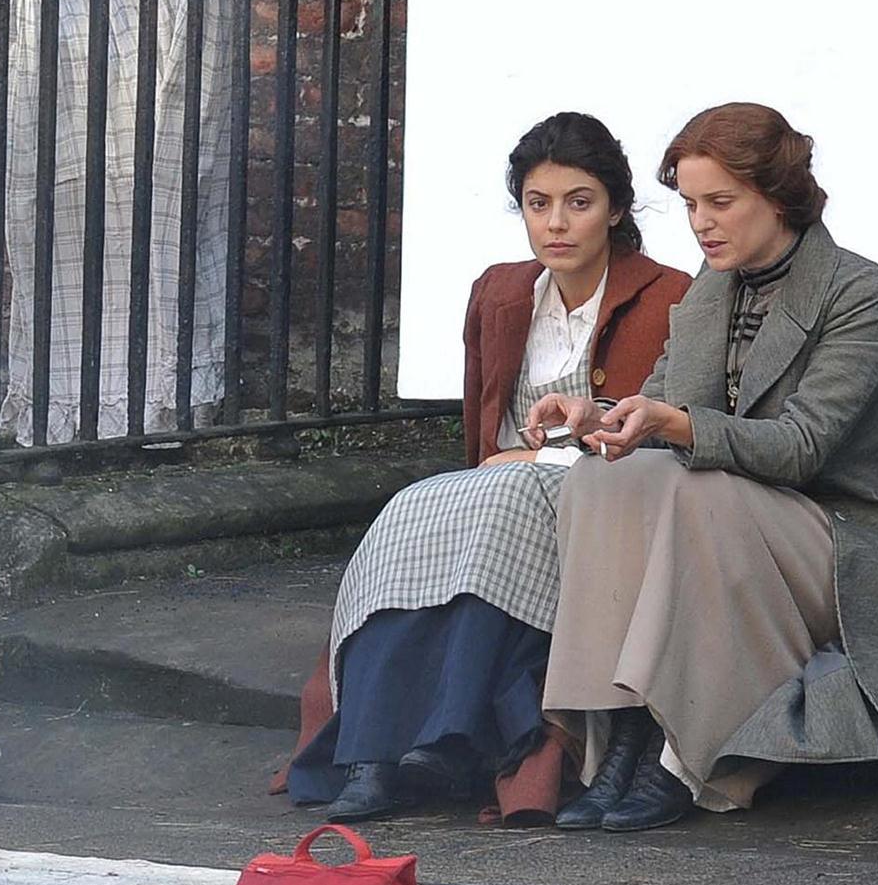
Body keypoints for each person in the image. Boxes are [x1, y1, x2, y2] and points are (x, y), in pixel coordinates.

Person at [533, 103, 878, 832]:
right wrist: (599, 418)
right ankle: (624, 727)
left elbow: (802, 446)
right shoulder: (706, 293)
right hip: (738, 523)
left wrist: (676, 425)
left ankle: (681, 753)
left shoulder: (864, 292)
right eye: (693, 204)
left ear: (779, 195)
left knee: (692, 491)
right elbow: (661, 405)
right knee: (605, 479)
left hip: (853, 542)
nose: (702, 223)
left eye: (721, 202)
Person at [284, 112, 689, 821]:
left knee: (494, 502)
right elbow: (484, 427)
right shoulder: (501, 291)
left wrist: (533, 454)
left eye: (579, 202)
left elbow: (657, 432)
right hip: (503, 486)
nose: (556, 223)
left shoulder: (670, 295)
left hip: (604, 492)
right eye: (539, 204)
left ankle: (444, 738)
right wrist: (510, 462)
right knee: (413, 507)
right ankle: (374, 757)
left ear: (617, 209)